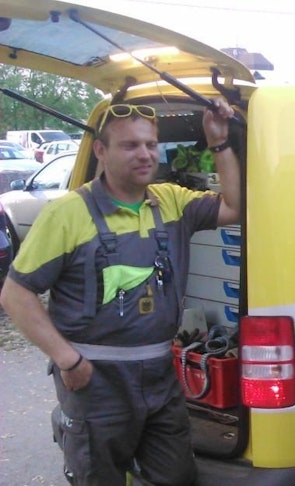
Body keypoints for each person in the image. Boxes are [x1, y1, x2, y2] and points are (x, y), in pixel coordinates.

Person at [0, 99, 241, 485]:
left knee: (176, 477)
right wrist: (67, 359)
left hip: (160, 377)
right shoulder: (67, 214)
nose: (145, 154)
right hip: (96, 381)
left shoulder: (171, 201)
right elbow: (16, 294)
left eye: (151, 144)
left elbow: (234, 206)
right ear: (101, 150)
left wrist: (218, 142)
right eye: (130, 145)